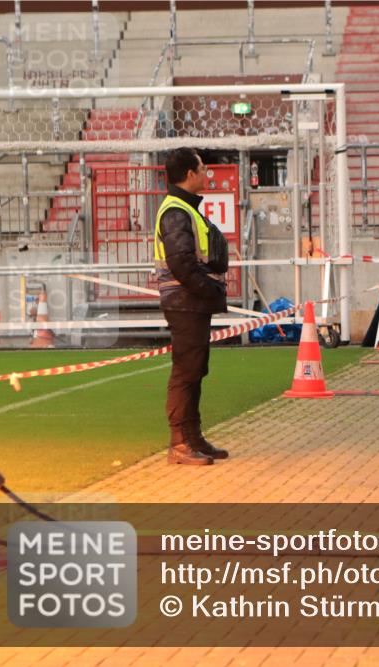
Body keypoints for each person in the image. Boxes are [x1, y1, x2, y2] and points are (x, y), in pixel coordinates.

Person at [154, 148, 230, 465]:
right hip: (185, 302)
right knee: (186, 372)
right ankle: (180, 443)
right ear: (189, 174)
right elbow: (182, 264)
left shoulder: (183, 209)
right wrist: (210, 290)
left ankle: (193, 437)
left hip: (190, 302)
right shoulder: (176, 212)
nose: (206, 173)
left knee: (195, 370)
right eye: (202, 168)